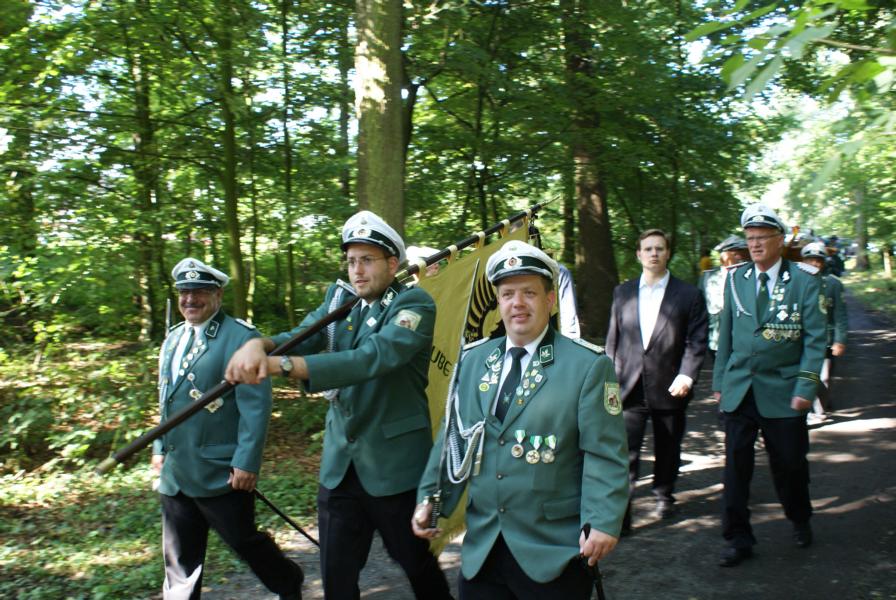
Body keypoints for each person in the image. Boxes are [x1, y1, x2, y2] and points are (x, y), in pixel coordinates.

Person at [225, 211, 452, 600]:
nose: (357, 270)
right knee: (336, 576)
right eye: (350, 261)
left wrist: (281, 366)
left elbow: (371, 359)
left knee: (418, 567)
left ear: (392, 263)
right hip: (340, 468)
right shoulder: (341, 306)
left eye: (367, 260)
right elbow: (300, 335)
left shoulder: (413, 305)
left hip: (394, 466)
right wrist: (258, 344)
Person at [412, 240, 628, 600]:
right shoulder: (473, 361)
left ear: (550, 300)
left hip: (552, 550)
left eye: (529, 292)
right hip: (483, 550)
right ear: (499, 303)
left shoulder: (586, 366)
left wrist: (603, 519)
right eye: (508, 294)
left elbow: (604, 453)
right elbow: (453, 439)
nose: (518, 303)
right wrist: (431, 501)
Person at [152, 258, 303, 600]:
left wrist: (247, 461)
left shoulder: (241, 338)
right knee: (179, 560)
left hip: (220, 470)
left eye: (199, 292)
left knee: (243, 541)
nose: (190, 299)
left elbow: (255, 406)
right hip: (176, 470)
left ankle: (287, 581)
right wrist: (160, 447)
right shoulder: (173, 338)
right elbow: (166, 399)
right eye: (184, 292)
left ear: (217, 295)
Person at [712, 204, 827, 567]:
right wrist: (719, 382)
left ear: (780, 240)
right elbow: (726, 335)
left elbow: (815, 341)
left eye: (762, 237)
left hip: (784, 390)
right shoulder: (736, 278)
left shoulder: (805, 280)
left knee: (790, 465)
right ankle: (738, 538)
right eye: (750, 238)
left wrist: (806, 389)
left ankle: (799, 517)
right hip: (740, 388)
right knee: (735, 468)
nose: (755, 244)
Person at [605, 228, 708, 531]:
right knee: (624, 453)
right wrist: (608, 380)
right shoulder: (622, 292)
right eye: (648, 249)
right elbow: (613, 340)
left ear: (667, 253)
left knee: (668, 447)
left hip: (671, 385)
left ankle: (664, 494)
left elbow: (696, 340)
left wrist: (687, 374)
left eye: (659, 248)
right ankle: (621, 514)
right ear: (639, 254)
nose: (653, 253)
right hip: (628, 387)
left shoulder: (689, 295)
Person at [800, 241, 848, 420]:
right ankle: (804, 409)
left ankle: (819, 410)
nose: (815, 263)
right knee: (803, 374)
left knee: (824, 377)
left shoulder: (833, 283)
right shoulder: (794, 280)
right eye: (810, 259)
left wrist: (840, 340)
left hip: (824, 339)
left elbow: (840, 314)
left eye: (818, 260)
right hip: (799, 337)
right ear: (803, 261)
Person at [699, 235, 751, 355]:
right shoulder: (708, 277)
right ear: (723, 256)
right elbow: (701, 308)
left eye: (743, 253)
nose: (741, 257)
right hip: (716, 341)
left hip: (744, 344)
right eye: (736, 253)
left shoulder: (751, 277)